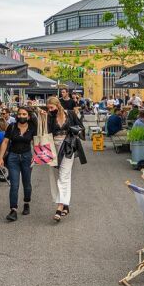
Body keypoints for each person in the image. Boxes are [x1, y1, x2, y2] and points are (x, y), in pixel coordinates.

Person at [46, 95, 84, 223]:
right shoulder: (49, 116)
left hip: (67, 146)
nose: (50, 110)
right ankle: (65, 204)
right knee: (56, 176)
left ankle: (60, 207)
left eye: (51, 107)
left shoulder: (70, 114)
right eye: (48, 108)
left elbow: (81, 127)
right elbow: (45, 132)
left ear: (58, 105)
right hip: (53, 147)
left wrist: (74, 133)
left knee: (64, 176)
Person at [0, 107, 36, 221]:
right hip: (13, 157)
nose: (21, 116)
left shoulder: (32, 127)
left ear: (28, 116)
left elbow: (36, 143)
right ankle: (13, 210)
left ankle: (26, 203)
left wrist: (35, 156)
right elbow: (5, 142)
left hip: (27, 157)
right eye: (19, 114)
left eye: (24, 114)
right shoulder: (12, 126)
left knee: (27, 183)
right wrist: (0, 158)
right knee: (14, 185)